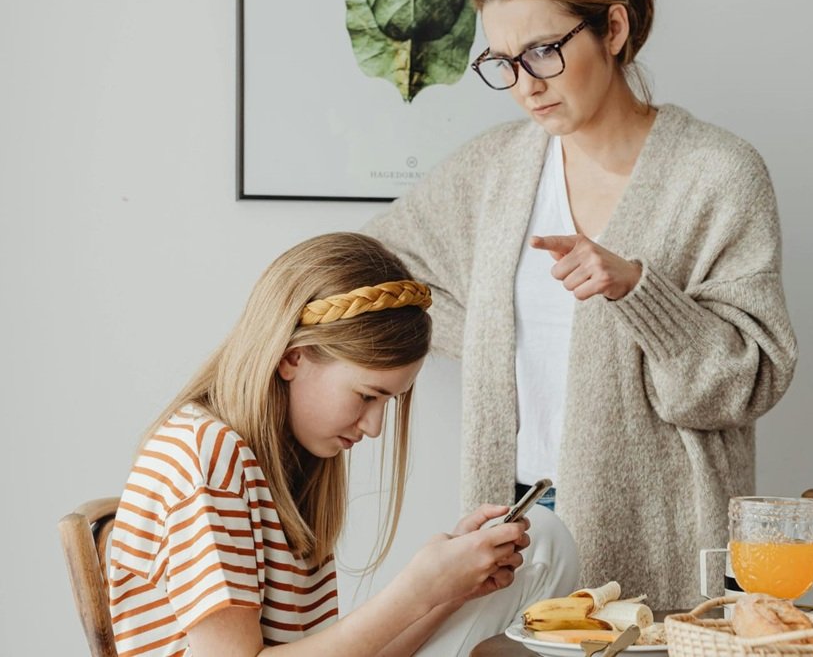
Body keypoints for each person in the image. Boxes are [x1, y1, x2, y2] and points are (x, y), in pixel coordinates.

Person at [364, 0, 798, 608]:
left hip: (663, 530)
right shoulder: (497, 169)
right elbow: (374, 266)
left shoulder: (717, 174)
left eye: (542, 51)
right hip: (512, 525)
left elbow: (746, 382)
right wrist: (483, 327)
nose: (525, 86)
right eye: (503, 61)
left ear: (614, 29)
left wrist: (637, 291)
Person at [107, 232, 579, 657]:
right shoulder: (207, 458)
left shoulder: (284, 465)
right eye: (367, 396)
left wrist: (448, 591)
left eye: (387, 404)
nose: (373, 427)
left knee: (541, 536)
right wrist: (416, 589)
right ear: (293, 357)